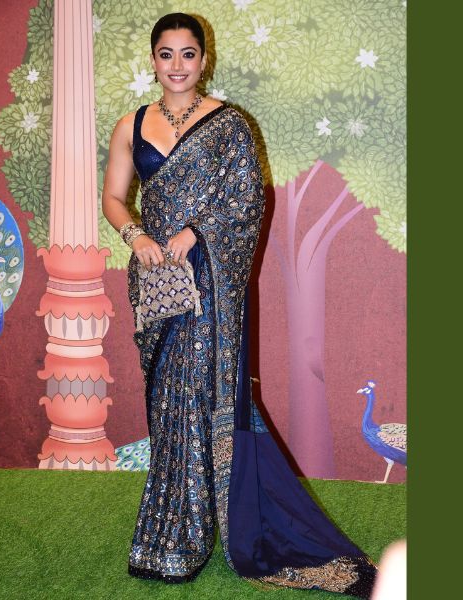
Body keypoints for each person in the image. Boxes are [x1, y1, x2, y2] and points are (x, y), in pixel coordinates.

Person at [101, 12, 377, 598]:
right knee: (167, 397)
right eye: (166, 54)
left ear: (204, 60)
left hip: (210, 283)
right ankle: (174, 526)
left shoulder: (230, 125)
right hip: (156, 279)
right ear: (153, 60)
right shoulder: (132, 124)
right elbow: (114, 198)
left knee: (206, 391)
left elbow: (247, 199)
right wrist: (138, 237)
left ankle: (219, 523)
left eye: (188, 54)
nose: (177, 65)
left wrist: (196, 232)